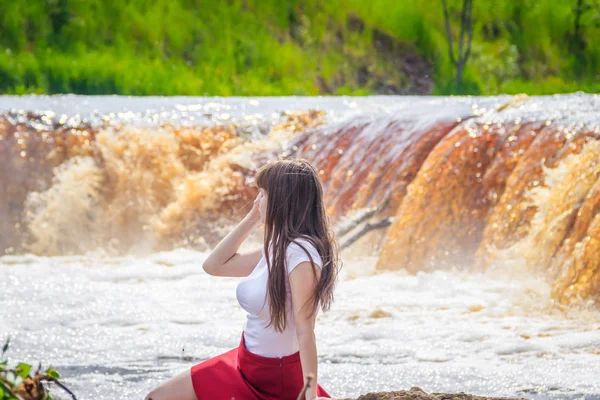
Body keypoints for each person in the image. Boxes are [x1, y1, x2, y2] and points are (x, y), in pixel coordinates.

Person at [145, 158, 341, 400]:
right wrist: (252, 219)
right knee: (157, 397)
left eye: (262, 194)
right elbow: (214, 265)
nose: (257, 201)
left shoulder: (301, 255)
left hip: (273, 376)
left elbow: (305, 328)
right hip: (244, 363)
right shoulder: (278, 248)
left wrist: (309, 392)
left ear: (282, 200)